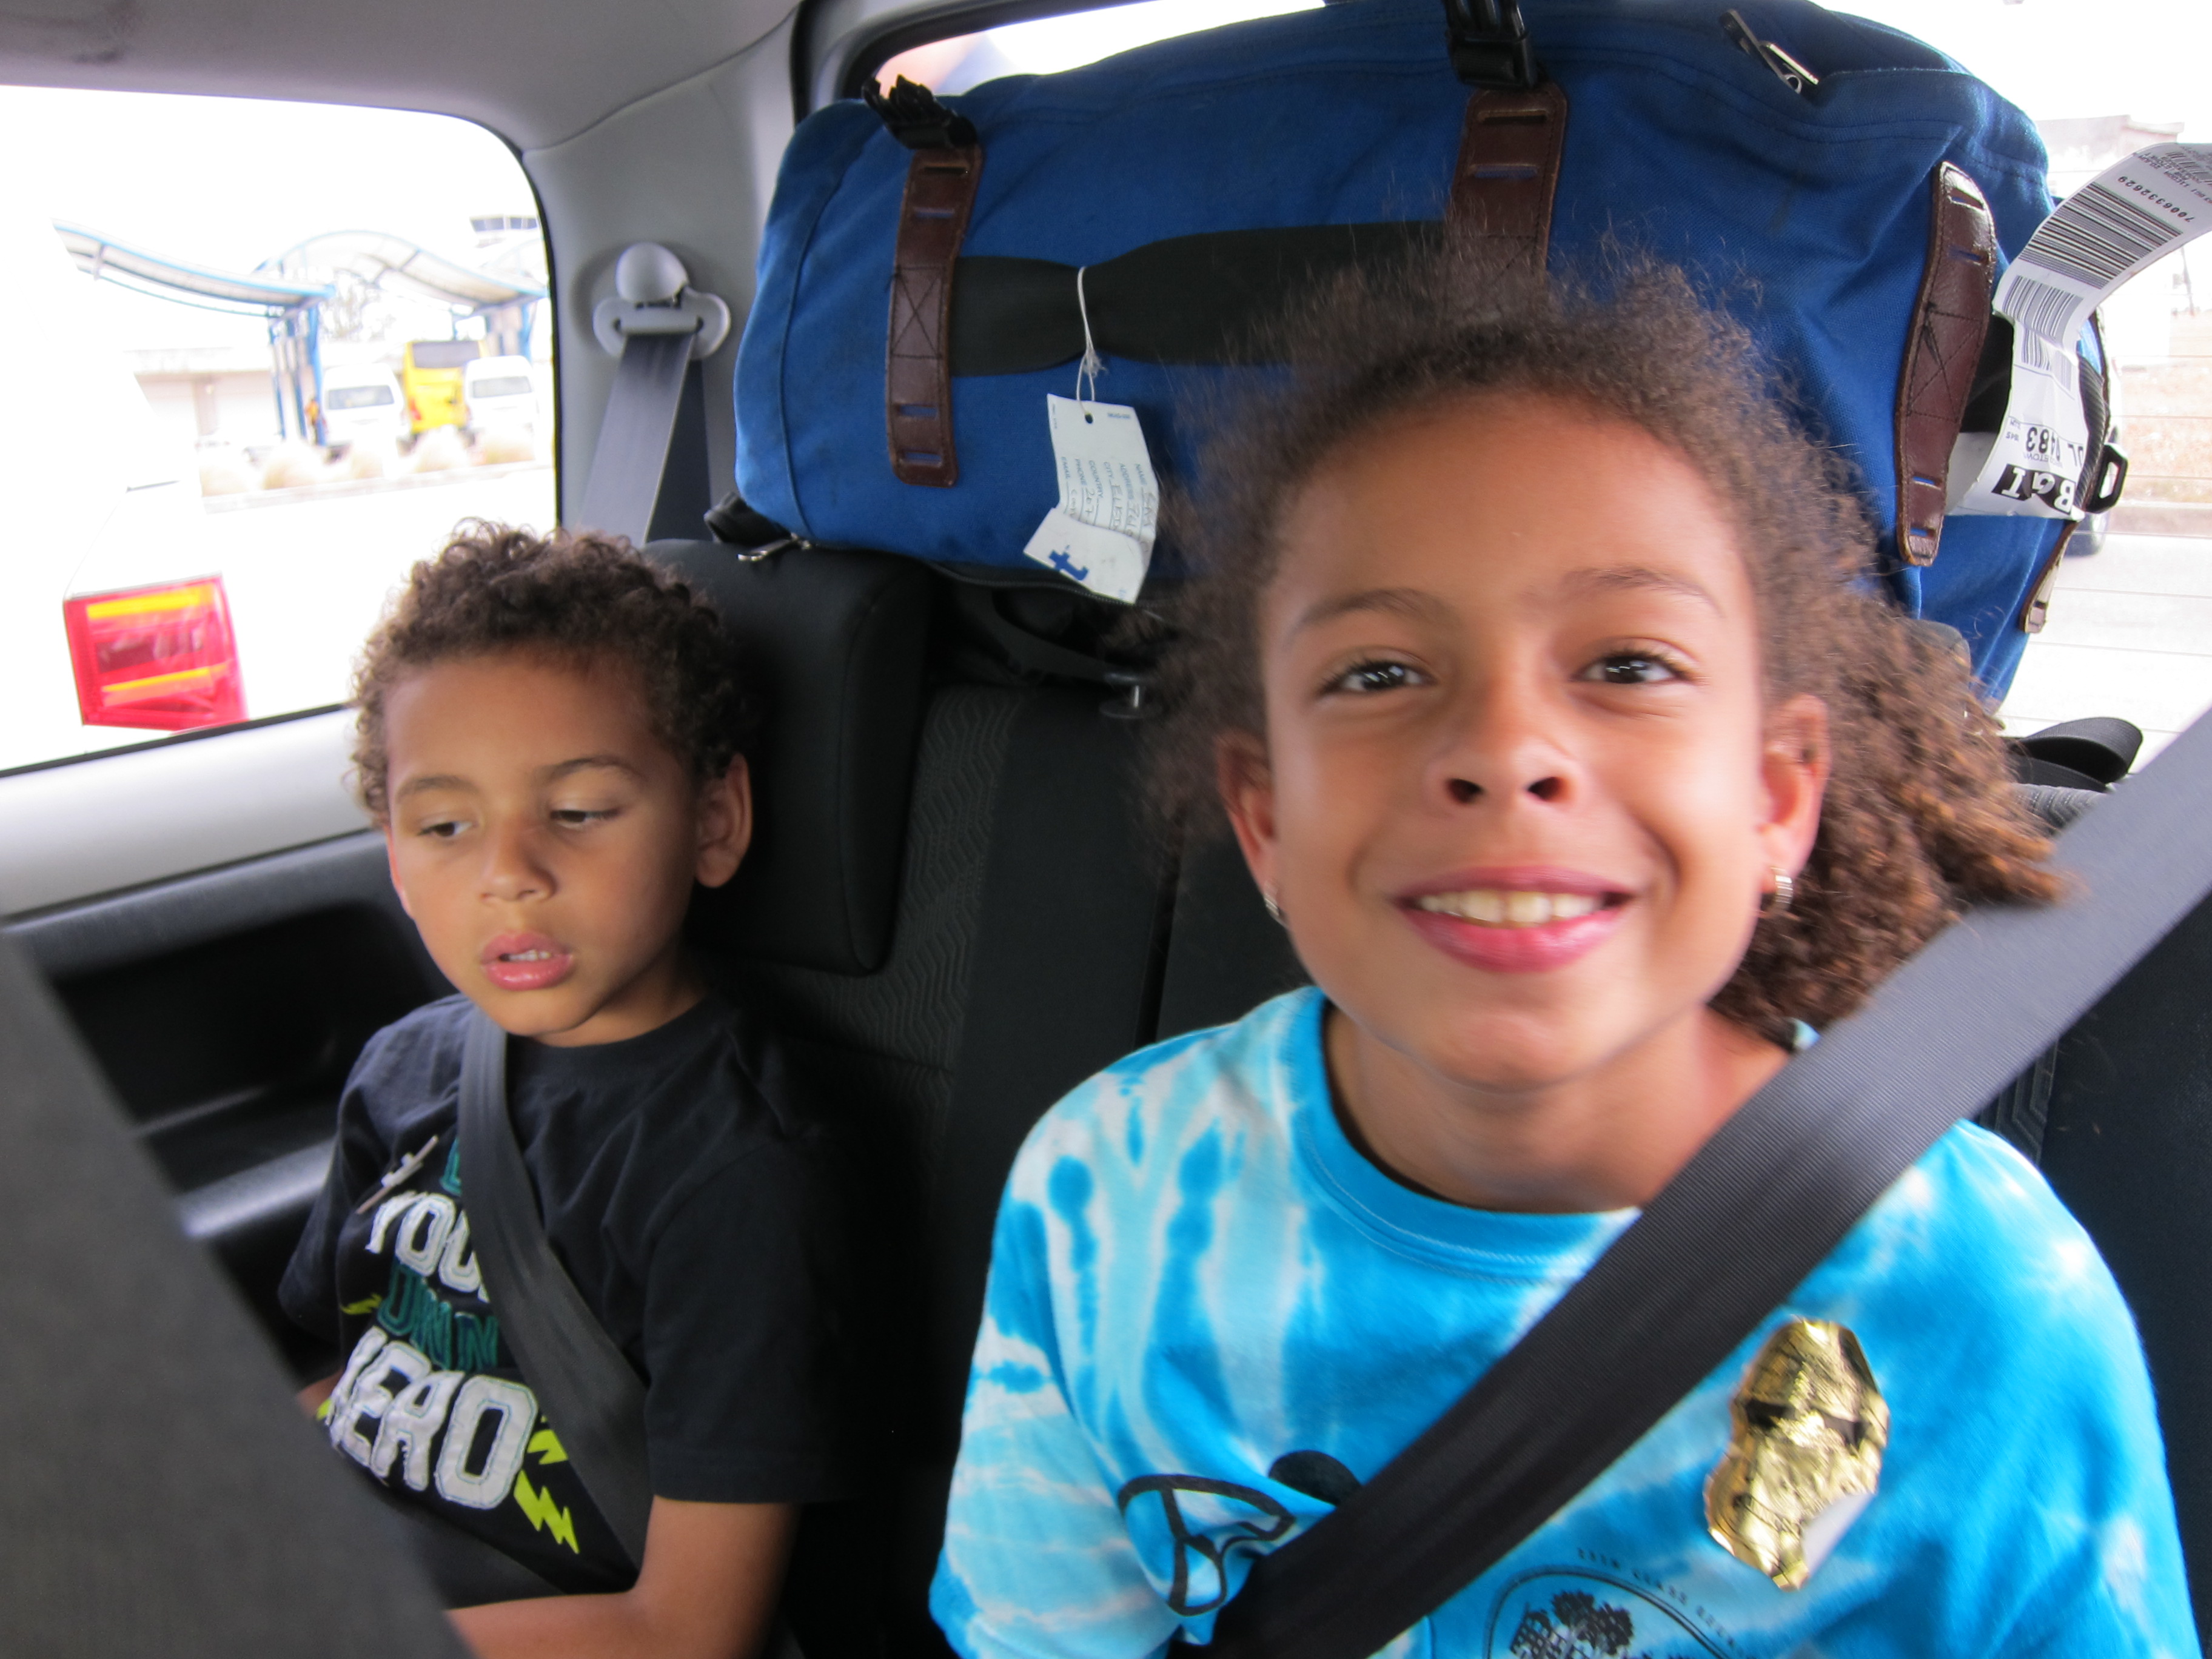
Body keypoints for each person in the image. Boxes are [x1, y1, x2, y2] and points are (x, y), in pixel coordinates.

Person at [930, 252, 2199, 1658]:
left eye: (1629, 665)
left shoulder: (1981, 1295)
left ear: (1776, 797)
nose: (1505, 749)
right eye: (1379, 673)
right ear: (1267, 819)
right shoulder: (1109, 1192)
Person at [281, 523, 865, 1659]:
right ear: (395, 859)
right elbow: (357, 1380)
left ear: (713, 822)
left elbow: (688, 1631)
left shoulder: (740, 1171)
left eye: (580, 811)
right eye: (445, 827)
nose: (509, 873)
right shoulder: (400, 1070)